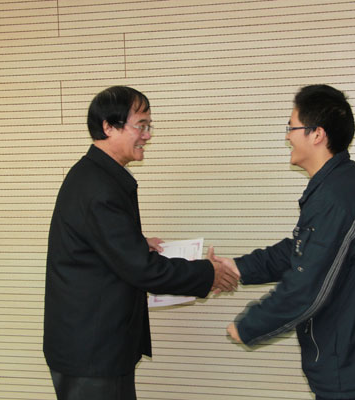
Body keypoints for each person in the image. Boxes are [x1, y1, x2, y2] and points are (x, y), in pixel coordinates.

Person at [43, 85, 238, 400]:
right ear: (109, 126)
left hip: (94, 344)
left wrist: (135, 242)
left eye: (149, 127)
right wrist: (208, 273)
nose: (147, 136)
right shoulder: (99, 188)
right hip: (92, 352)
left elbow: (102, 247)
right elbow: (143, 270)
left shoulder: (96, 176)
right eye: (142, 125)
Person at [213, 84, 355, 400]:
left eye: (292, 128)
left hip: (354, 370)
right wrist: (239, 267)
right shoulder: (338, 185)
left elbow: (307, 289)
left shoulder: (337, 198)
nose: (288, 136)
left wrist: (249, 325)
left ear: (317, 134)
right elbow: (302, 249)